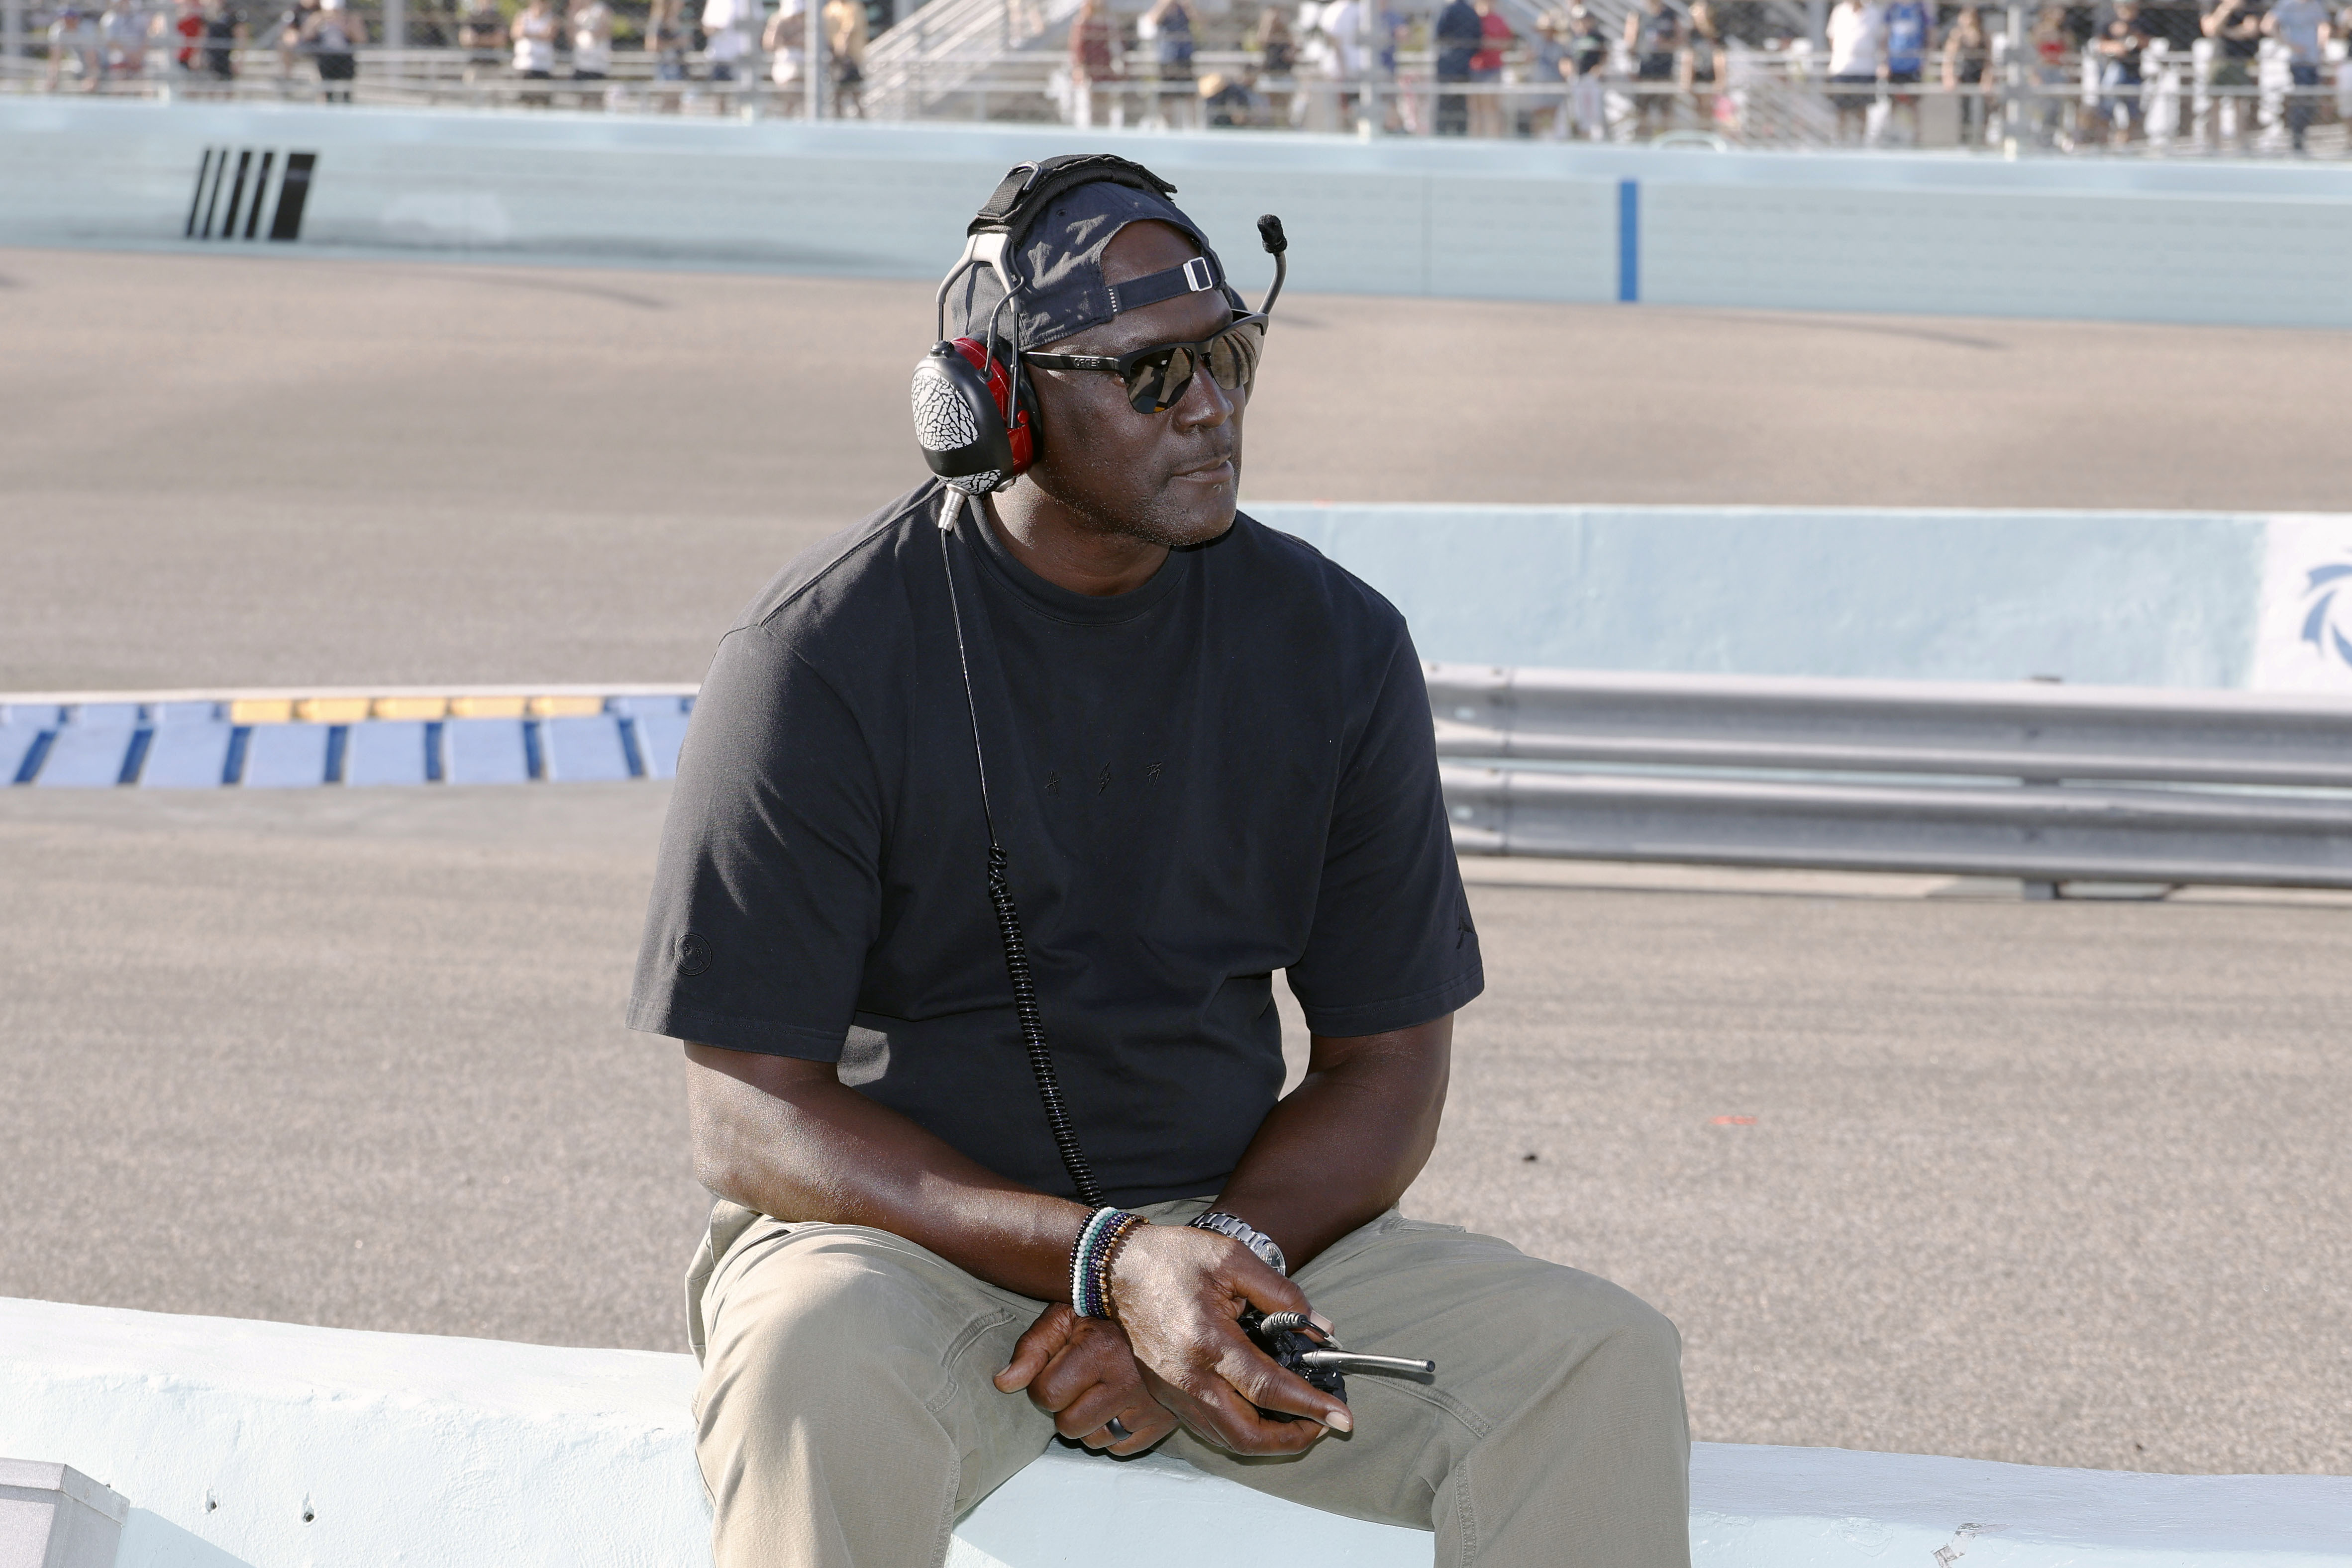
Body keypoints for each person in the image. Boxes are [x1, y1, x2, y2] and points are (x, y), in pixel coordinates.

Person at [634, 152, 1692, 1568]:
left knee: (1590, 1362)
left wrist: (1208, 1287)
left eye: (1227, 357)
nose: (1205, 409)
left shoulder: (1337, 646)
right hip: (897, 1253)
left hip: (1243, 1238)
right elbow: (747, 1120)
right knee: (807, 1367)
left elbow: (1384, 1068)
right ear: (996, 405)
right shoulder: (814, 659)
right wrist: (1107, 1266)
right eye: (1145, 377)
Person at [2264, 0, 2332, 151]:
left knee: (2311, 100)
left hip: (2314, 61)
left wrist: (2322, 48)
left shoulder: (2316, 5)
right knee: (2300, 100)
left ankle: (2302, 134)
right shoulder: (2286, 5)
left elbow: (2324, 25)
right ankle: (2297, 137)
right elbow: (2268, 25)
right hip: (2298, 62)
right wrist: (2290, 45)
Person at [2202, 0, 2264, 147]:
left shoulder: (2250, 4)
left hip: (2241, 61)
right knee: (2214, 103)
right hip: (2219, 59)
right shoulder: (2213, 3)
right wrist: (2227, 8)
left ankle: (2241, 144)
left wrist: (2225, 31)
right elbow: (2210, 29)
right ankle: (2214, 145)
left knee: (2240, 103)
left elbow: (2251, 29)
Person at [1824, 0, 1884, 142]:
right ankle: (1840, 141)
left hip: (1866, 69)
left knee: (1862, 109)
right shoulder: (1839, 11)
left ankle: (1861, 143)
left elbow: (1881, 39)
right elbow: (1832, 38)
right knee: (1841, 109)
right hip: (1842, 69)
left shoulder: (1874, 13)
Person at [2093, 0, 2149, 143]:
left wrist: (2131, 33)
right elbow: (2099, 45)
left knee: (2133, 110)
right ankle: (2104, 139)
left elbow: (2148, 43)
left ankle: (2125, 140)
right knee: (2107, 103)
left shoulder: (2141, 22)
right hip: (2113, 68)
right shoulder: (2109, 21)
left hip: (2135, 72)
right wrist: (2117, 47)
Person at [1625, 0, 1679, 136]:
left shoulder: (1670, 15)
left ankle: (1667, 144)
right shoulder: (1638, 15)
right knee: (1642, 113)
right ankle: (1642, 144)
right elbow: (1629, 44)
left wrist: (1664, 44)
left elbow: (1680, 41)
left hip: (1665, 72)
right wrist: (1631, 67)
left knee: (1666, 113)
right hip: (1645, 72)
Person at [1879, 0, 1931, 142]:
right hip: (1895, 66)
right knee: (1892, 103)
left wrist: (1926, 59)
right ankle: (1890, 135)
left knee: (1913, 104)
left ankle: (1917, 137)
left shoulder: (1920, 9)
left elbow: (1930, 33)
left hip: (1913, 66)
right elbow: (1885, 36)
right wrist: (1884, 63)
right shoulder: (1893, 9)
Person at [1941, 3, 1993, 143]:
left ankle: (1982, 140)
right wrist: (1949, 77)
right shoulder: (1957, 35)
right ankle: (1964, 141)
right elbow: (1949, 58)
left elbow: (1989, 60)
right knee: (1966, 110)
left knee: (1983, 111)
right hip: (1965, 74)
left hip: (1979, 75)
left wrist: (1987, 80)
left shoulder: (1983, 35)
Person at [1068, 0, 1123, 127]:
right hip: (1089, 72)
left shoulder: (1109, 22)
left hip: (1104, 70)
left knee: (1105, 109)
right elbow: (1077, 47)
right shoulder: (1083, 21)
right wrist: (1080, 68)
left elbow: (1116, 46)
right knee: (1087, 110)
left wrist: (1118, 67)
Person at [1143, 0, 1196, 127]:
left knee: (1190, 96)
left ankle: (1193, 128)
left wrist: (1187, 5)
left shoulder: (1185, 5)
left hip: (1185, 57)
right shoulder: (1163, 4)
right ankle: (1169, 127)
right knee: (1167, 97)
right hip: (1167, 57)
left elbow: (1199, 21)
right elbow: (1152, 20)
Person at [1432, 0, 1479, 132]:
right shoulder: (1472, 13)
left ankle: (1442, 136)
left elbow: (1438, 33)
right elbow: (1478, 39)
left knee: (1444, 107)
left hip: (1447, 66)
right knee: (1461, 105)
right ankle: (1461, 134)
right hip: (1464, 66)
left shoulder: (1448, 10)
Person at [1467, 0, 1512, 135]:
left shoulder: (1499, 20)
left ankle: (1493, 139)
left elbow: (1507, 42)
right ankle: (1476, 139)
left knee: (1492, 107)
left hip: (1493, 68)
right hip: (1475, 69)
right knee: (1476, 108)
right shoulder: (1473, 19)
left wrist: (1492, 44)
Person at [1680, 0, 1725, 129]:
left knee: (1709, 107)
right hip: (1697, 73)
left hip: (1710, 72)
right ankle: (1700, 132)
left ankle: (1708, 131)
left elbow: (1719, 53)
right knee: (1698, 108)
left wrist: (1721, 79)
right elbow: (1688, 54)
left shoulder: (1715, 32)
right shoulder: (1692, 34)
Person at [1566, 2, 1608, 137]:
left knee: (1595, 110)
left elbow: (1605, 53)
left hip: (1592, 77)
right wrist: (1569, 70)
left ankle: (1598, 138)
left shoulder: (1597, 36)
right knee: (1580, 111)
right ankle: (1584, 136)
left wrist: (1600, 67)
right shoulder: (1574, 38)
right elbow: (1567, 57)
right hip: (1578, 77)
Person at [304, 0, 358, 101]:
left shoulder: (350, 19)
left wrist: (345, 26)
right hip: (325, 58)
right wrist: (318, 23)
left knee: (346, 89)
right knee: (326, 90)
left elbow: (361, 39)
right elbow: (307, 36)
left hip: (344, 58)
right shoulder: (317, 18)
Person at [1253, 2, 1297, 124]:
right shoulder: (1266, 31)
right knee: (1269, 109)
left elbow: (1294, 48)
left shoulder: (1286, 33)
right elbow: (1261, 41)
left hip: (1284, 74)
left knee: (1285, 108)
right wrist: (1269, 23)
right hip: (1270, 74)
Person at [822, 0, 867, 115]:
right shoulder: (831, 8)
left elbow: (849, 31)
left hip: (851, 60)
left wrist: (841, 53)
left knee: (855, 94)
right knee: (837, 95)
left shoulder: (853, 6)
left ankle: (863, 126)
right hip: (836, 60)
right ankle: (837, 124)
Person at [763, 0, 807, 112]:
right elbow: (770, 43)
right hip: (785, 65)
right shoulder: (778, 20)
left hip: (804, 65)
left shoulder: (807, 21)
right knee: (788, 98)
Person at [45, 6, 102, 89]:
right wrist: (52, 78)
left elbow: (93, 57)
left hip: (102, 62)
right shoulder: (58, 30)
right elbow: (55, 57)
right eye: (64, 18)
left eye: (69, 18)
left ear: (76, 19)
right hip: (79, 64)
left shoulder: (87, 30)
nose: (66, 21)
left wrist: (92, 78)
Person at [511, 0, 557, 100]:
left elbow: (548, 35)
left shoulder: (551, 18)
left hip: (543, 66)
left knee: (542, 99)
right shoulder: (523, 16)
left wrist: (528, 33)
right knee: (523, 99)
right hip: (524, 65)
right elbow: (516, 33)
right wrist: (538, 34)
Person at [570, 0, 613, 90]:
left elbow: (605, 32)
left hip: (596, 63)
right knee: (581, 95)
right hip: (581, 63)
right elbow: (571, 37)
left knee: (596, 95)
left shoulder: (601, 10)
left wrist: (587, 33)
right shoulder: (578, 13)